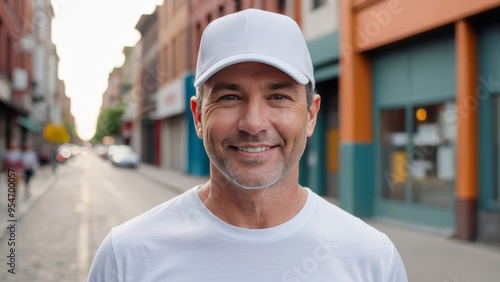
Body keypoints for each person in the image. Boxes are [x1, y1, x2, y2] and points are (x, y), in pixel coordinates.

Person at [88, 9, 407, 281]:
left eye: (278, 96)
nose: (253, 123)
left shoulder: (373, 259)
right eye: (229, 97)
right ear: (199, 117)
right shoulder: (127, 256)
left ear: (310, 116)